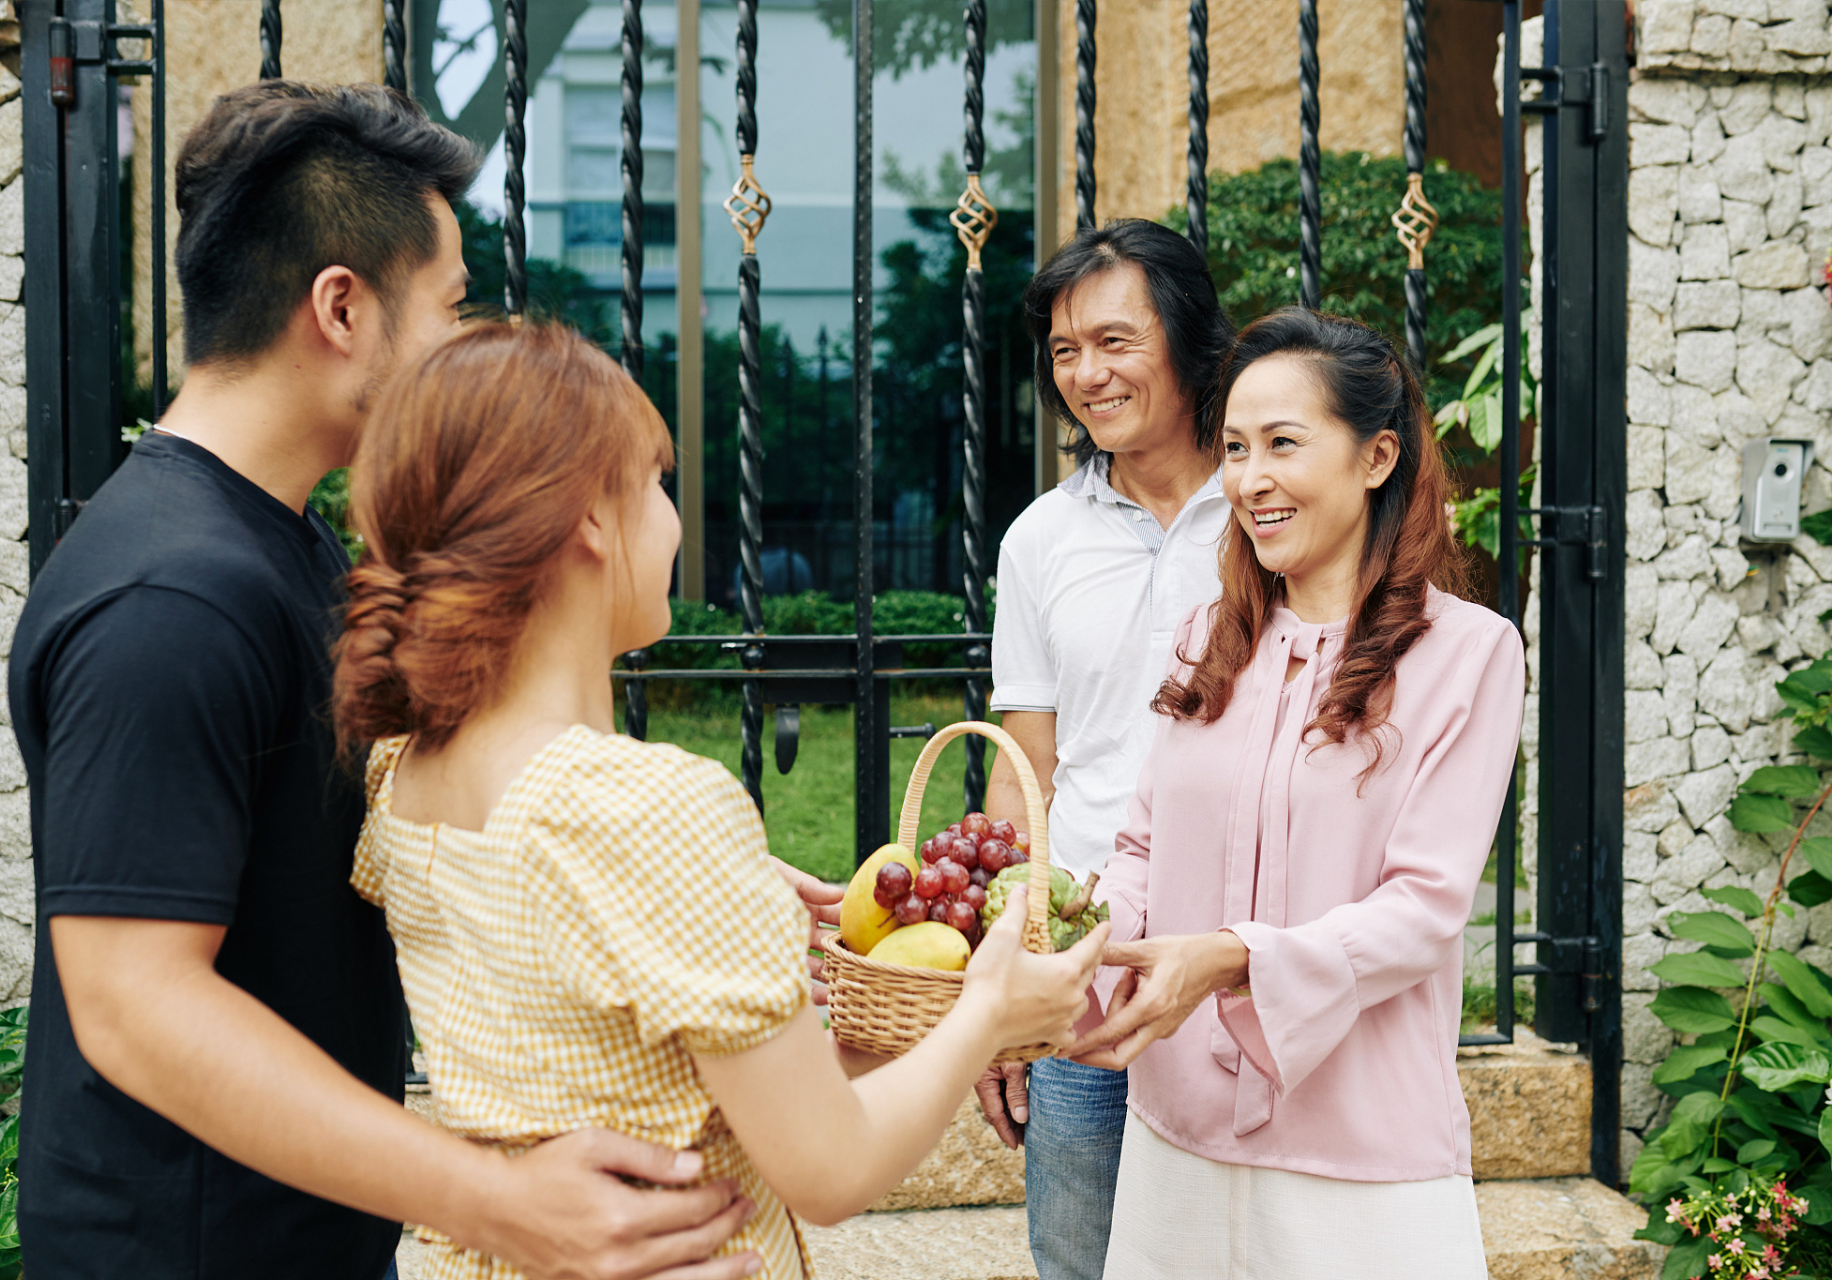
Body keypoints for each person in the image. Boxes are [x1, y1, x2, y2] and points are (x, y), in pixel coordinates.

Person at [11, 81, 822, 1280]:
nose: (460, 343)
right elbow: (135, 1003)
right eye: (448, 306)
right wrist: (499, 1200)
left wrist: (688, 892)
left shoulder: (277, 538)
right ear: (341, 306)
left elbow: (402, 832)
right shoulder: (171, 597)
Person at [330, 319, 1109, 1278]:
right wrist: (989, 1011)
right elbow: (830, 1172)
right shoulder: (649, 809)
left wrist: (870, 1009)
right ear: (587, 517)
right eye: (656, 483)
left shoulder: (403, 764)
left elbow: (712, 1098)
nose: (672, 516)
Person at [1065, 309, 1525, 1278]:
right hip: (1175, 1142)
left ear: (1376, 456)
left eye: (1282, 443)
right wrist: (1073, 961)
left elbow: (1426, 906)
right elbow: (1141, 850)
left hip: (1361, 1169)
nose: (1249, 479)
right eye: (1233, 447)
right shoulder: (1206, 636)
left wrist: (1230, 959)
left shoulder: (1469, 654)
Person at [974, 219, 1233, 1280]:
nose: (1087, 373)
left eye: (1115, 340)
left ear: (1186, 335)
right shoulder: (1041, 536)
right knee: (1081, 1258)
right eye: (1066, 349)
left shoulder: (1271, 507)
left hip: (1237, 948)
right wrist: (1000, 987)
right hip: (1086, 956)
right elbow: (1023, 761)